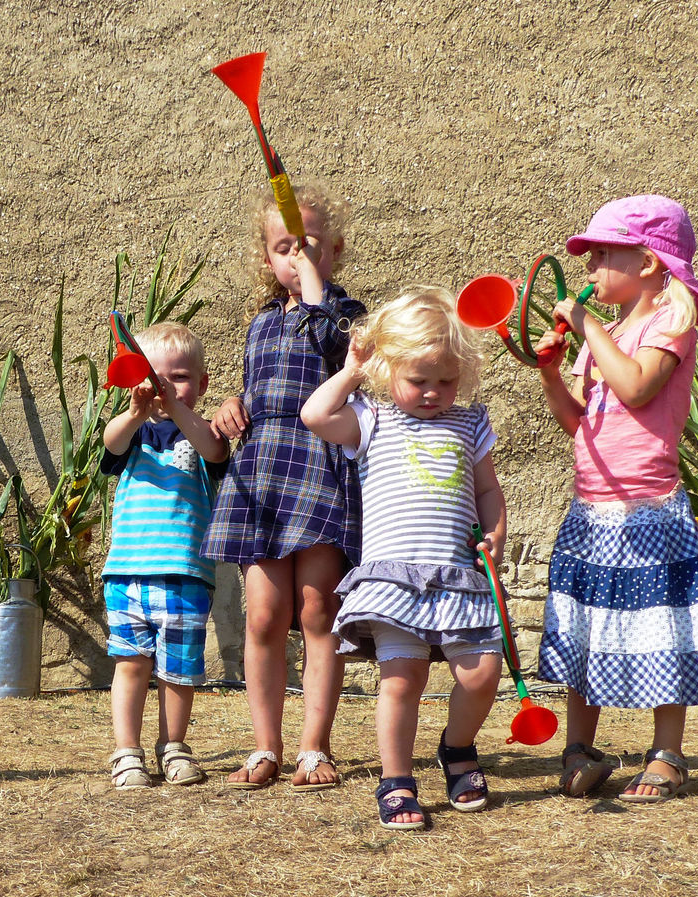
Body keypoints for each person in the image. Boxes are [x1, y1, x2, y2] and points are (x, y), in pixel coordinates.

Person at [534, 195, 698, 803]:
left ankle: (667, 755)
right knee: (585, 623)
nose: (589, 268)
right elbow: (576, 423)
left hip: (649, 506)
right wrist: (549, 370)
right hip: (592, 506)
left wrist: (587, 327)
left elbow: (639, 388)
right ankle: (579, 749)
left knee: (659, 625)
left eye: (601, 255)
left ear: (647, 263)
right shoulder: (610, 333)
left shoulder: (671, 321)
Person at [303, 286, 506, 830]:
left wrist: (496, 532)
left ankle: (457, 748)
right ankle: (396, 780)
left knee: (482, 673)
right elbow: (315, 415)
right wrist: (352, 371)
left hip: (460, 577)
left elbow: (487, 491)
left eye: (447, 380)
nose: (433, 392)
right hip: (396, 582)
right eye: (419, 380)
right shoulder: (371, 420)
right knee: (402, 680)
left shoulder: (470, 424)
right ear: (387, 367)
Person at [202, 184, 366, 791]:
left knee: (318, 609)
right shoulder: (260, 323)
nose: (297, 258)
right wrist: (230, 403)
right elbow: (260, 385)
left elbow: (333, 353)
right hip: (264, 469)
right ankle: (264, 746)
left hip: (320, 465)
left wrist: (319, 298)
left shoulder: (349, 316)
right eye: (284, 248)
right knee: (266, 614)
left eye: (311, 247)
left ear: (336, 252)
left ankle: (314, 747)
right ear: (266, 258)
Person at [100, 322, 230, 789]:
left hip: (186, 573)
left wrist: (175, 408)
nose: (164, 387)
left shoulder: (202, 431)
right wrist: (136, 413)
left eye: (179, 377)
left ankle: (173, 746)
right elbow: (109, 445)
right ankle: (127, 752)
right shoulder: (134, 433)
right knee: (130, 663)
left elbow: (215, 452)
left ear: (202, 384)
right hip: (128, 573)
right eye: (155, 377)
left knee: (179, 670)